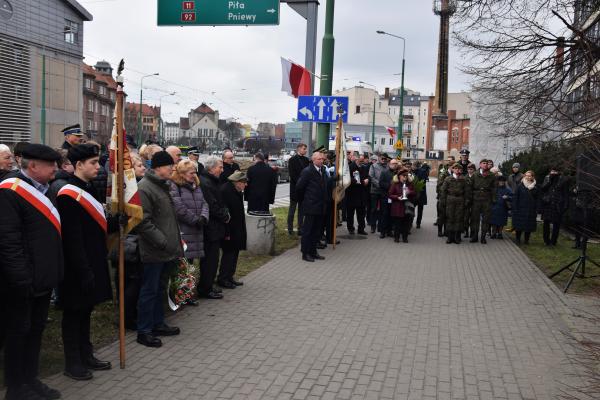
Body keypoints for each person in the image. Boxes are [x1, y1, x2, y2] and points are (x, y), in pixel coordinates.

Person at [0, 144, 63, 400]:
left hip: (41, 279)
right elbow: (8, 241)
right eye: (51, 165)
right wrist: (21, 279)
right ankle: (15, 388)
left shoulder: (43, 190)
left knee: (35, 331)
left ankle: (30, 379)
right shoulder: (9, 191)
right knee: (18, 333)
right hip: (21, 282)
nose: (56, 170)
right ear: (33, 166)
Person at [56, 144, 120, 380]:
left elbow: (97, 227)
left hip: (93, 259)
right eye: (93, 163)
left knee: (86, 312)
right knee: (73, 314)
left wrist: (116, 222)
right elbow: (73, 238)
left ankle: (87, 354)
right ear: (79, 165)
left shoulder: (89, 188)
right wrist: (83, 270)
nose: (97, 167)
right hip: (77, 266)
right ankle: (72, 363)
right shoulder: (68, 195)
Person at [136, 151, 183, 348]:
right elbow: (143, 221)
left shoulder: (163, 186)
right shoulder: (145, 188)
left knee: (160, 288)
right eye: (168, 165)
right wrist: (162, 241)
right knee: (149, 290)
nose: (172, 168)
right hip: (154, 249)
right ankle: (144, 330)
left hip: (167, 249)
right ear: (157, 168)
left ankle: (158, 323)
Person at [170, 159, 209, 272]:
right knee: (181, 267)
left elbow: (204, 203)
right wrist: (195, 220)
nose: (194, 175)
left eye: (195, 172)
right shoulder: (174, 186)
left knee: (189, 266)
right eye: (191, 173)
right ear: (181, 174)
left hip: (196, 230)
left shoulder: (196, 185)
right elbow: (178, 207)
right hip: (183, 231)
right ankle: (179, 289)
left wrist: (203, 217)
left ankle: (188, 288)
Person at [199, 156, 230, 299]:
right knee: (210, 260)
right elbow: (212, 205)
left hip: (215, 227)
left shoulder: (211, 181)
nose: (222, 170)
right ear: (211, 169)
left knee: (213, 259)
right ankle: (205, 288)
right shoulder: (206, 183)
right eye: (220, 167)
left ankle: (209, 285)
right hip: (210, 227)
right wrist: (225, 216)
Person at [296, 151, 328, 262]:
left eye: (322, 159)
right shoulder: (307, 171)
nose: (321, 161)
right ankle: (305, 253)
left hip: (320, 206)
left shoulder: (322, 170)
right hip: (311, 206)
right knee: (307, 231)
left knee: (316, 231)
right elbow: (299, 187)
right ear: (313, 160)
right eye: (319, 159)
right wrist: (308, 198)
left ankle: (313, 252)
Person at [218, 171, 248, 288]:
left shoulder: (236, 191)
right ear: (237, 182)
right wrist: (227, 231)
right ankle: (223, 278)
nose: (245, 185)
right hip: (229, 228)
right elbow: (226, 212)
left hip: (237, 227)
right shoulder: (226, 191)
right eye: (244, 183)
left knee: (234, 252)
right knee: (229, 253)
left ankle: (230, 276)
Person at [440, 163, 471, 244]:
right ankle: (450, 237)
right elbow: (443, 190)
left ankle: (457, 237)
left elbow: (467, 191)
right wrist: (443, 201)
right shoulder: (448, 179)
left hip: (460, 199)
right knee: (450, 217)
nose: (457, 170)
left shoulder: (463, 179)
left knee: (458, 218)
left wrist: (467, 200)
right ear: (453, 169)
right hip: (450, 199)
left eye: (459, 169)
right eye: (455, 168)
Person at [469, 159, 496, 244]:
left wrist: (493, 199)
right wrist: (470, 198)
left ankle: (483, 237)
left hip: (486, 199)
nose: (485, 165)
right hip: (476, 199)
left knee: (486, 219)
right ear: (480, 164)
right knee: (475, 219)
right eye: (483, 163)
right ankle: (475, 236)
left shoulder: (491, 175)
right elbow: (470, 187)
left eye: (486, 163)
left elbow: (494, 188)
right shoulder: (475, 174)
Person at [540, 167, 568, 246]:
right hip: (548, 203)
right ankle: (546, 240)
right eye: (552, 171)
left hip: (557, 204)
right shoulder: (547, 178)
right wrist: (549, 181)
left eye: (555, 171)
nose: (553, 173)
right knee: (546, 222)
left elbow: (565, 193)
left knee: (556, 224)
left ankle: (553, 241)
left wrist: (565, 204)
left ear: (559, 172)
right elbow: (543, 189)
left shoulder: (563, 180)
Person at [388, 168, 416, 243]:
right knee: (397, 223)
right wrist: (397, 197)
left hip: (407, 207)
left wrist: (409, 192)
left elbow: (415, 193)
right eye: (403, 176)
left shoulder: (410, 184)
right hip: (398, 206)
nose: (405, 177)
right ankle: (396, 237)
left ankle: (405, 237)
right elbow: (390, 194)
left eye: (406, 176)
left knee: (406, 223)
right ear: (399, 176)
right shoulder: (395, 184)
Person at [287, 143, 310, 235]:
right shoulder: (292, 160)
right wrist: (301, 183)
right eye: (304, 149)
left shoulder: (306, 160)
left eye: (306, 149)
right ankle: (290, 228)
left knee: (302, 211)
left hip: (303, 190)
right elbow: (292, 175)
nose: (305, 150)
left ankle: (300, 228)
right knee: (292, 210)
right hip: (295, 189)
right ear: (299, 149)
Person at [512, 170, 539, 245]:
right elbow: (516, 197)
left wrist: (536, 208)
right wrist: (515, 208)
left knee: (529, 226)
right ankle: (518, 239)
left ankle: (526, 240)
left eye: (529, 176)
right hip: (521, 208)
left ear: (532, 177)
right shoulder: (520, 186)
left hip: (531, 209)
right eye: (526, 175)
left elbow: (537, 198)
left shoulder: (535, 187)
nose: (528, 177)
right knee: (519, 225)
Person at [345, 152, 369, 235]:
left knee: (361, 213)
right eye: (360, 161)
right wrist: (362, 181)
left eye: (363, 161)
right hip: (352, 193)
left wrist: (367, 180)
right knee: (350, 213)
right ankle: (350, 228)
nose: (362, 163)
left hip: (361, 194)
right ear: (356, 159)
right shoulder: (350, 167)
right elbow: (349, 178)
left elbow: (367, 176)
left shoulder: (364, 167)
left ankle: (361, 228)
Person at [378, 157, 398, 238]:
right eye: (393, 164)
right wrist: (390, 186)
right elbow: (380, 183)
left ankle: (389, 231)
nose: (395, 165)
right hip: (385, 196)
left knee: (391, 215)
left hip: (393, 198)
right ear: (390, 164)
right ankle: (382, 232)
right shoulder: (384, 172)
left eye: (396, 164)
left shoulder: (397, 173)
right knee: (384, 214)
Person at [368, 154, 389, 233]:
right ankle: (373, 226)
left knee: (382, 210)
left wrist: (383, 185)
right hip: (375, 190)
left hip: (383, 191)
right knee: (373, 209)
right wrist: (379, 184)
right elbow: (371, 177)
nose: (384, 160)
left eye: (385, 159)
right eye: (382, 158)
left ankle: (380, 226)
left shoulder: (387, 167)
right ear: (379, 158)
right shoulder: (373, 166)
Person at [435, 155, 455, 236]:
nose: (455, 169)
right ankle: (440, 231)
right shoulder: (444, 174)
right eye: (453, 167)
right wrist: (441, 195)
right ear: (450, 167)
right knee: (442, 215)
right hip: (443, 197)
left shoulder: (455, 175)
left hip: (450, 198)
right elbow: (439, 185)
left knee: (448, 215)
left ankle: (446, 231)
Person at [463, 163, 477, 238]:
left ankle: (472, 232)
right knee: (466, 217)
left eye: (471, 169)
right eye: (468, 169)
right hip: (466, 200)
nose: (470, 171)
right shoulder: (465, 178)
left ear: (474, 170)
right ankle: (466, 231)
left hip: (475, 200)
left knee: (473, 218)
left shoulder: (477, 177)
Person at [414, 162, 429, 229]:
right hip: (418, 192)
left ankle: (417, 223)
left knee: (415, 209)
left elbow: (423, 181)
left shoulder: (421, 171)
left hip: (419, 192)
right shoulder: (421, 171)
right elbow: (424, 180)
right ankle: (418, 223)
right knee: (419, 209)